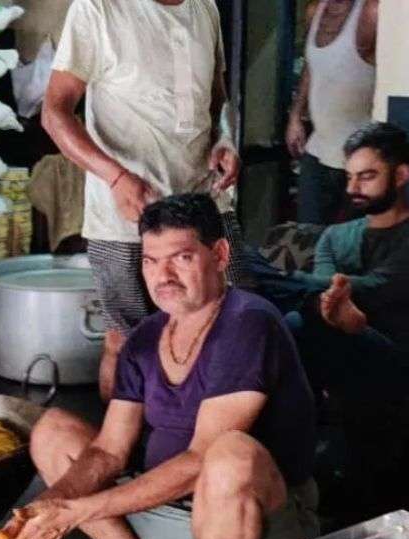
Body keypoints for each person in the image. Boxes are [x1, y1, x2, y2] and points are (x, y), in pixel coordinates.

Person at [0, 194, 319, 539]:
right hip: (163, 523)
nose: (164, 276)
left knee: (231, 453)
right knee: (53, 429)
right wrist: (43, 511)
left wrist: (75, 513)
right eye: (151, 261)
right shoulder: (144, 338)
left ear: (220, 255)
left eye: (181, 258)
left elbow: (202, 458)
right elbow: (108, 451)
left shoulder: (249, 321)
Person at [43, 0, 242, 401]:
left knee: (231, 324)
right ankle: (123, 439)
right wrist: (116, 177)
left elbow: (218, 98)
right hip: (125, 215)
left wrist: (225, 137)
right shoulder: (98, 9)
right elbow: (54, 112)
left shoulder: (206, 8)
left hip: (205, 204)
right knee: (127, 340)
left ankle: (195, 433)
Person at [262, 122, 409, 404]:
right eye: (349, 176)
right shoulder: (335, 235)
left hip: (401, 361)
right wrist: (333, 309)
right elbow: (323, 294)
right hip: (334, 344)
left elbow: (378, 287)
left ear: (400, 175)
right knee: (289, 321)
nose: (353, 187)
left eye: (366, 177)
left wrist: (285, 279)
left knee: (294, 314)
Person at [287, 0, 378, 224]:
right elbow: (310, 68)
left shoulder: (370, 11)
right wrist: (295, 116)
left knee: (348, 240)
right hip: (318, 148)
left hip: (357, 157)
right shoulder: (315, 11)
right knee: (307, 234)